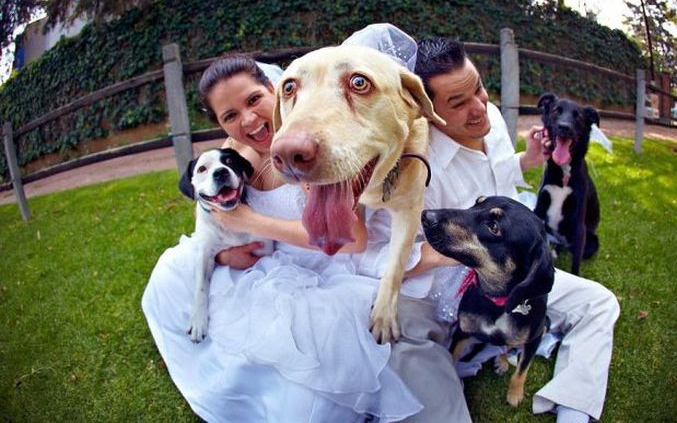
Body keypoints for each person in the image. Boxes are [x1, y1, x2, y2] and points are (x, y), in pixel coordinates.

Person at [141, 55, 422, 422]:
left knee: (304, 399)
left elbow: (351, 239)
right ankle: (200, 353)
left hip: (323, 267)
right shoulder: (234, 152)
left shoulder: (309, 148)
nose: (248, 120)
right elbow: (212, 209)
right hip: (269, 262)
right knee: (170, 275)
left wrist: (252, 221)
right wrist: (226, 255)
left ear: (275, 90)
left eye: (254, 100)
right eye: (230, 116)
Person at [358, 35, 619, 423]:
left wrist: (526, 159)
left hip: (503, 277)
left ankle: (574, 415)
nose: (479, 108)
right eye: (458, 103)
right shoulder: (409, 166)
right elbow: (371, 258)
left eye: (478, 88)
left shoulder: (491, 117)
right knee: (427, 397)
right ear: (427, 110)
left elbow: (494, 181)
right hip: (432, 299)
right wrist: (448, 249)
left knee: (599, 302)